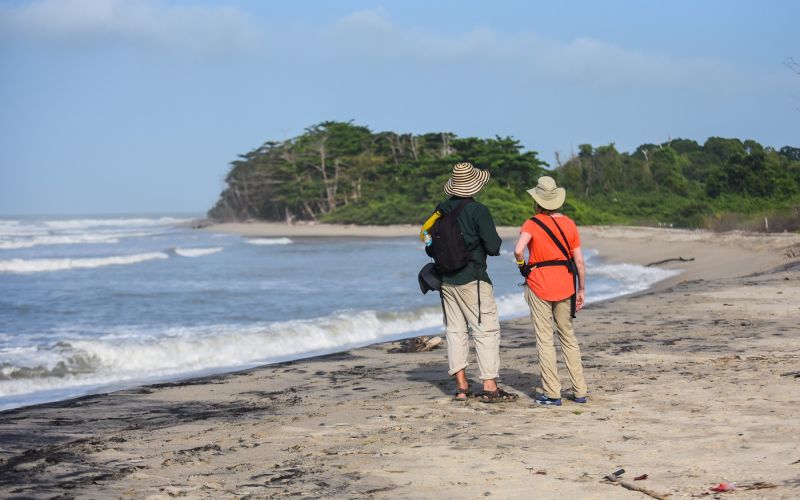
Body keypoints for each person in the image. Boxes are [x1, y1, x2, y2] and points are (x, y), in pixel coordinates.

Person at [422, 162, 518, 403]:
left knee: (455, 332)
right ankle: (489, 386)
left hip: (445, 279)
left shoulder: (441, 209)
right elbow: (494, 247)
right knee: (485, 331)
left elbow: (428, 242)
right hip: (473, 279)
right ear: (475, 186)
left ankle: (462, 387)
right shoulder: (479, 210)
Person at [514, 176, 588, 406]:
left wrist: (523, 267)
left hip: (539, 283)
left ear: (537, 201)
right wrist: (582, 289)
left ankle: (552, 393)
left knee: (545, 339)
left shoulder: (532, 223)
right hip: (566, 283)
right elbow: (579, 261)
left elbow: (518, 250)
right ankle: (580, 391)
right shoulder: (569, 223)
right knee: (568, 336)